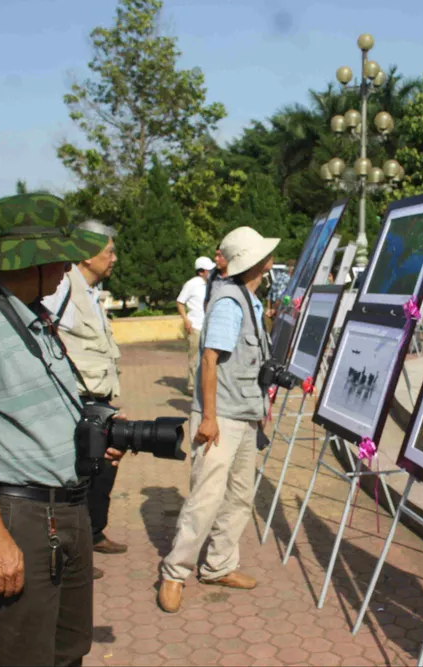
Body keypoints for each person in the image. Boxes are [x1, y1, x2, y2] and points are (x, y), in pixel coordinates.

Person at [0, 193, 124, 666]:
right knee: (27, 656)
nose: (66, 268)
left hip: (68, 508)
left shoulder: (33, 318)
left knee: (68, 649)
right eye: (58, 258)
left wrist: (99, 438)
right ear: (31, 261)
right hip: (21, 516)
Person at [158, 226, 279, 614]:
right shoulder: (230, 302)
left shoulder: (247, 300)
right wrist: (207, 418)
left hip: (242, 414)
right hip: (221, 417)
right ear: (259, 263)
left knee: (240, 495)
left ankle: (219, 565)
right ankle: (175, 572)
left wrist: (261, 408)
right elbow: (209, 360)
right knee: (206, 498)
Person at [42, 221, 125, 577]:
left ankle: (93, 534)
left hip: (100, 399)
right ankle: (70, 555)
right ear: (87, 254)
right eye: (108, 251)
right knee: (76, 479)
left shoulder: (91, 292)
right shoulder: (62, 288)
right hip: (77, 401)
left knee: (104, 470)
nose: (114, 258)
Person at [176, 257, 216, 395]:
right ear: (201, 272)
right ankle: (192, 386)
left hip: (209, 326)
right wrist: (186, 320)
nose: (211, 272)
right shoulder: (192, 284)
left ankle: (204, 383)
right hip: (196, 326)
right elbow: (180, 302)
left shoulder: (212, 284)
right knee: (194, 356)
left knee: (207, 357)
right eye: (208, 270)